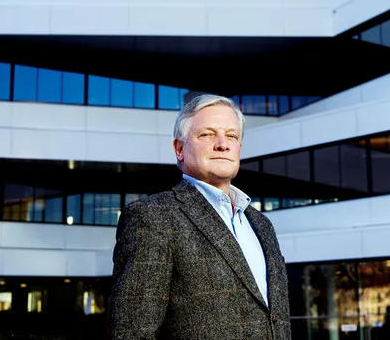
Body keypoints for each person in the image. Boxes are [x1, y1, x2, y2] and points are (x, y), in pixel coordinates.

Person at [108, 94, 291, 340]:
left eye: (232, 136)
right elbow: (132, 332)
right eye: (207, 134)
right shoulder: (153, 217)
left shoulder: (262, 225)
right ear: (179, 149)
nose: (222, 144)